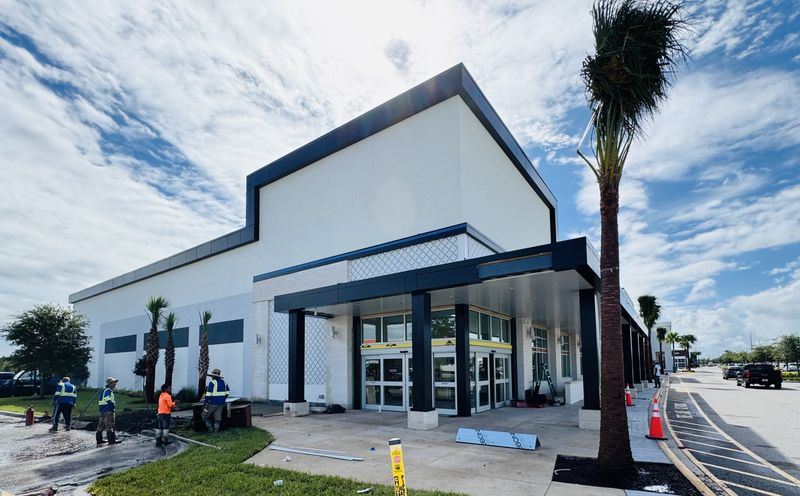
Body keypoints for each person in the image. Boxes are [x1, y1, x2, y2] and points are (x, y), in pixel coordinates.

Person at [201, 368, 229, 433]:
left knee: (204, 415)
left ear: (213, 376)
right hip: (221, 403)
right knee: (218, 417)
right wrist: (222, 399)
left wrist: (205, 403)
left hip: (212, 403)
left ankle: (210, 428)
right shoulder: (225, 382)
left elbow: (208, 395)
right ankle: (216, 430)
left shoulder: (212, 382)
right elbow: (227, 393)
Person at [97, 377, 121, 446]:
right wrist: (112, 404)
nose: (115, 384)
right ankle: (111, 440)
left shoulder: (103, 390)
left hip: (102, 410)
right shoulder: (108, 390)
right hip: (108, 409)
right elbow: (106, 398)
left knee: (101, 424)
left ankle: (99, 440)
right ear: (110, 383)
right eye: (114, 382)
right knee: (110, 424)